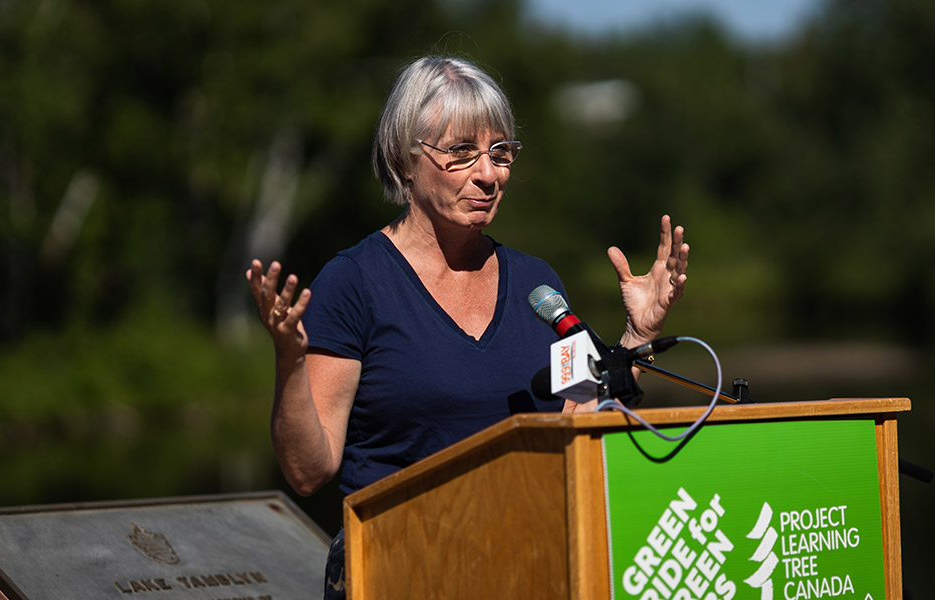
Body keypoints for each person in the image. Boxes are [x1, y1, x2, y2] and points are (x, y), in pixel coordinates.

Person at [245, 55, 688, 599]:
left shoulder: (536, 284)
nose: (488, 173)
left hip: (527, 565)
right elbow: (309, 471)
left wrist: (636, 337)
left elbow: (582, 419)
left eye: (500, 153)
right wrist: (290, 362)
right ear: (406, 160)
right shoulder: (353, 284)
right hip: (399, 569)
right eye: (462, 153)